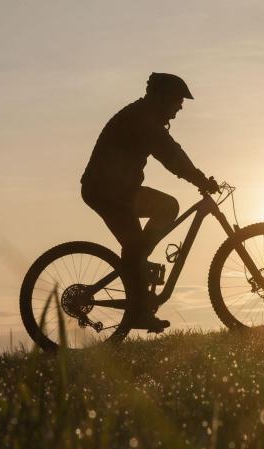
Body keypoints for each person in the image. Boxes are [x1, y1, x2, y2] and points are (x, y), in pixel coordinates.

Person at [81, 72, 218, 333]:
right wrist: (199, 179)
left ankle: (137, 274)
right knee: (146, 232)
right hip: (108, 191)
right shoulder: (142, 119)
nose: (180, 106)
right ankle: (138, 305)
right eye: (178, 100)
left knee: (162, 213)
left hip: (118, 190)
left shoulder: (145, 116)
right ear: (163, 97)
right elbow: (170, 154)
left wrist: (197, 177)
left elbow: (170, 149)